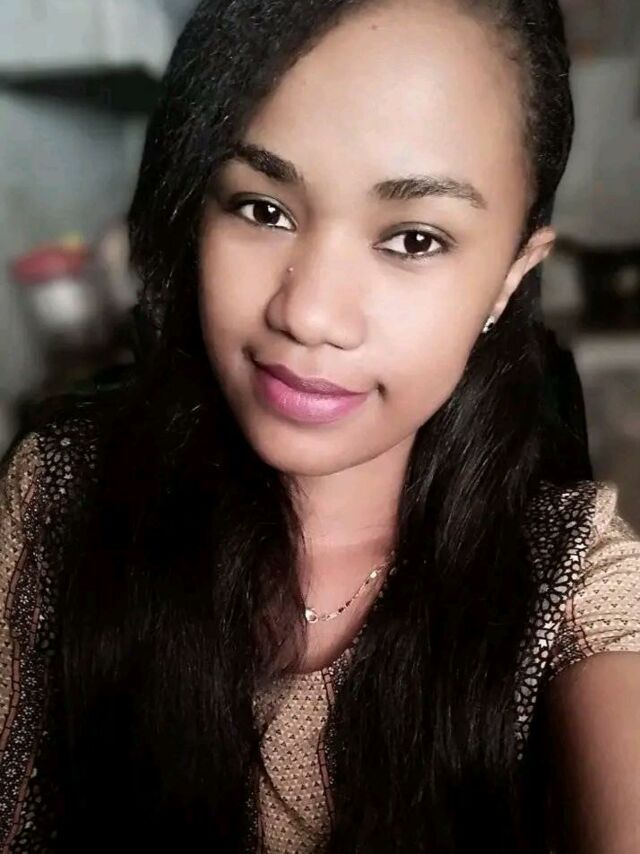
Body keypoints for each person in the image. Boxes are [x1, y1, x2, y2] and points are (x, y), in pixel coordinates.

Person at [1, 0, 639, 851]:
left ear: (509, 278)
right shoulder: (63, 498)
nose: (308, 314)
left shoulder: (566, 582)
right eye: (263, 209)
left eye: (414, 240)